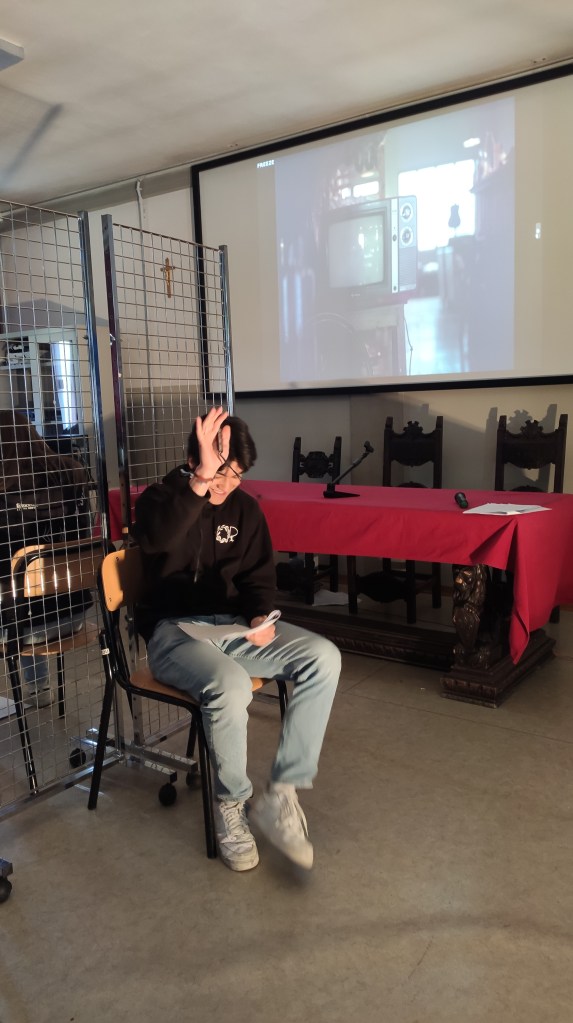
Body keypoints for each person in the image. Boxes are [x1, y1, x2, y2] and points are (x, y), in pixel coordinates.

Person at [133, 407, 341, 872]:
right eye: (221, 470)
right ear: (194, 458)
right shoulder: (159, 501)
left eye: (237, 474)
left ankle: (282, 792)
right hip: (173, 633)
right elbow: (158, 541)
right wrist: (201, 481)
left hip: (231, 628)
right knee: (228, 684)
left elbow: (257, 577)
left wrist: (259, 615)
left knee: (323, 657)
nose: (228, 483)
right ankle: (232, 805)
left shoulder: (245, 509)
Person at [0, 410, 92, 707]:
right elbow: (84, 538)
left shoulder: (4, 491)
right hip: (75, 615)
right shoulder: (73, 473)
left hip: (23, 629)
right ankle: (40, 688)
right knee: (26, 583)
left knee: (16, 588)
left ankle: (39, 687)